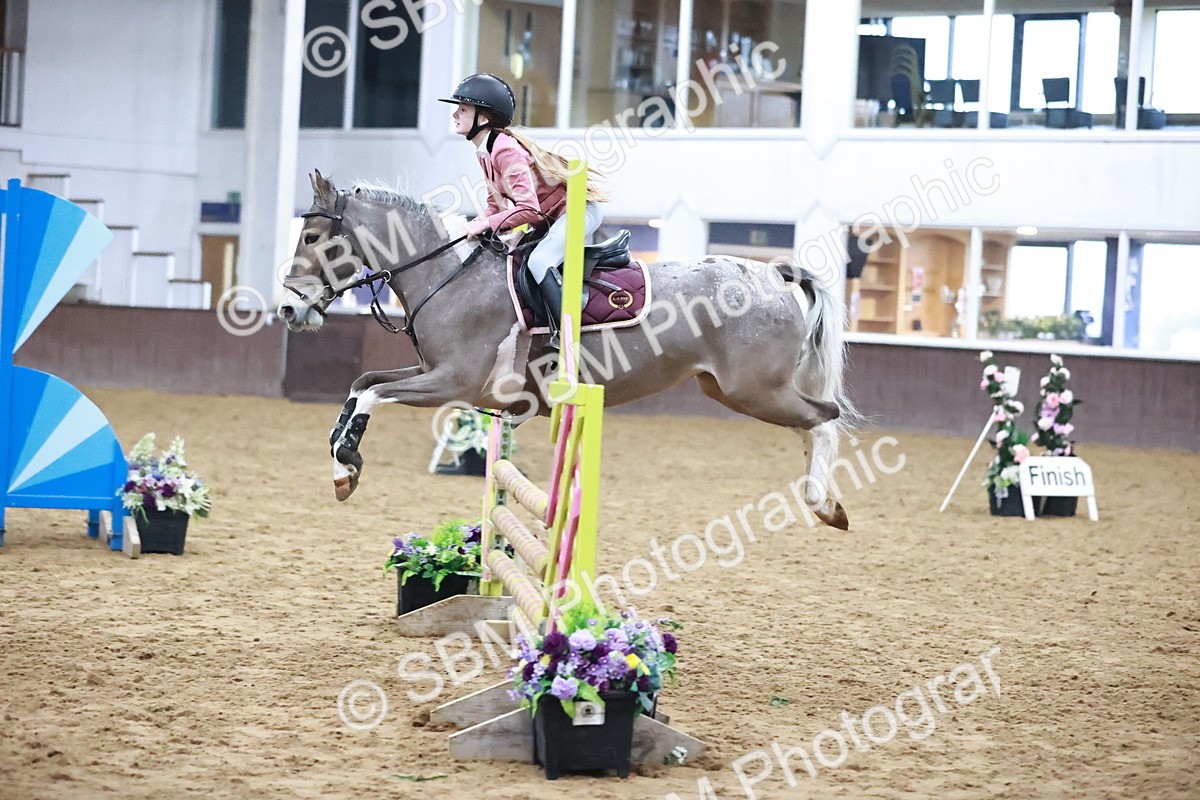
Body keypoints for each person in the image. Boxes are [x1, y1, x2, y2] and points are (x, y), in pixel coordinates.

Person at [438, 73, 609, 351]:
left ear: (483, 118)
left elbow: (528, 209)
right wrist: (473, 225)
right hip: (549, 220)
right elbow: (495, 206)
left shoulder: (505, 150)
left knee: (540, 261)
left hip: (576, 211)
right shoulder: (485, 152)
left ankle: (567, 336)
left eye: (463, 109)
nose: (455, 114)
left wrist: (485, 224)